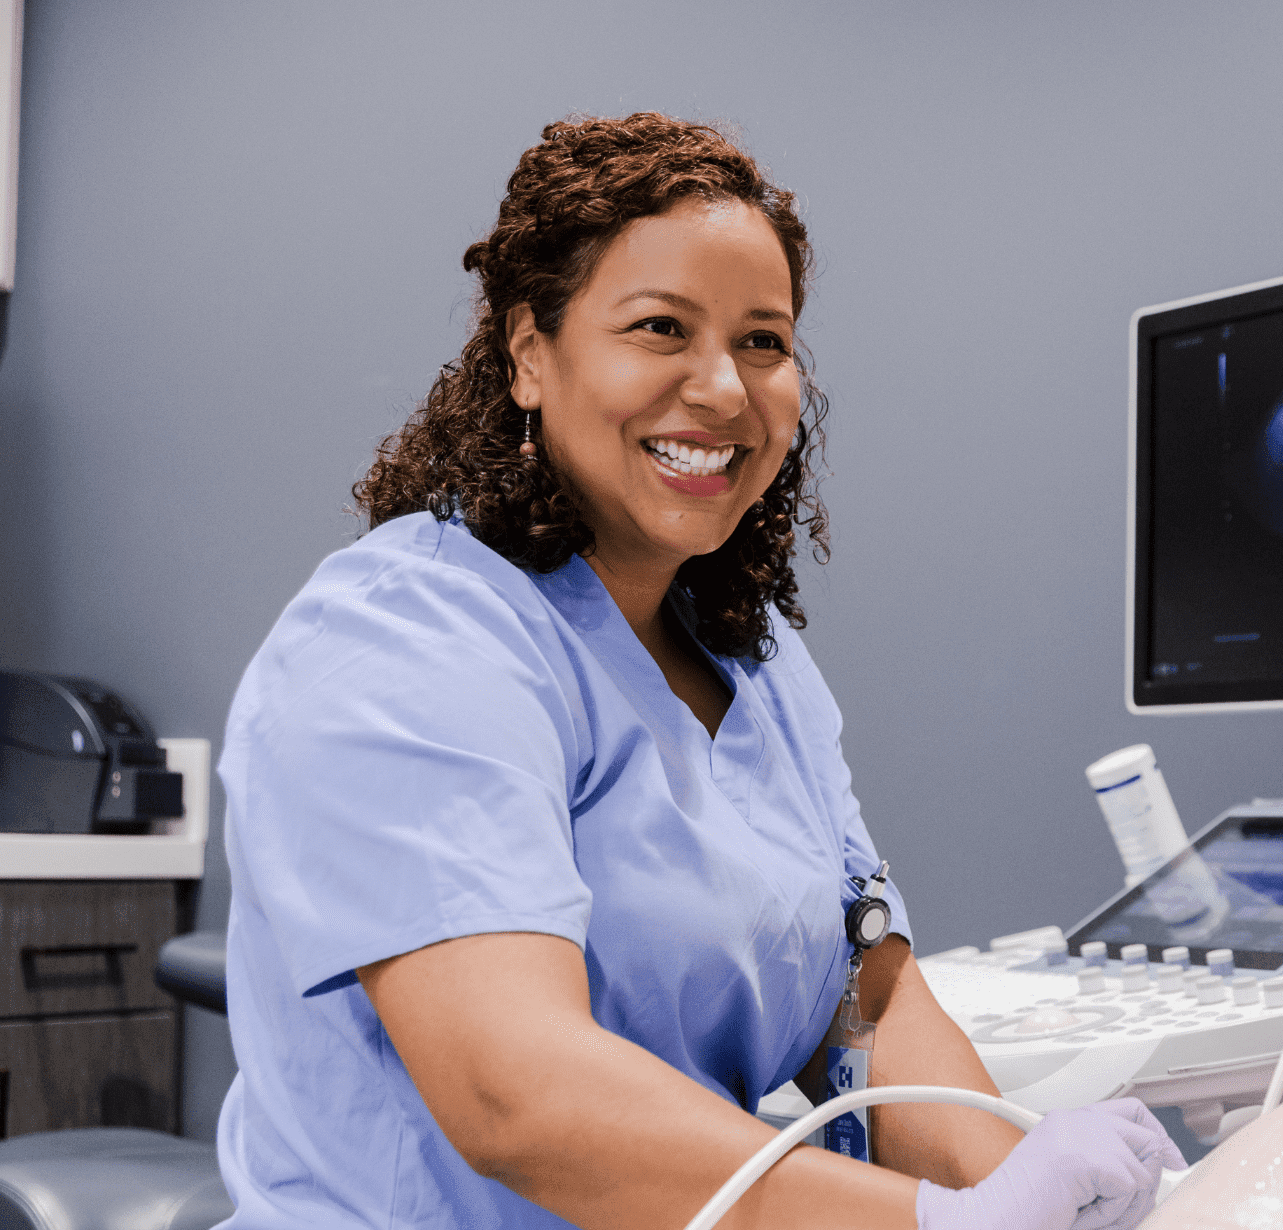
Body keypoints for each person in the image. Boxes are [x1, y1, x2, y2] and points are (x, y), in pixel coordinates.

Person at [214, 113, 1183, 1229]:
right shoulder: (403, 636)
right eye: (660, 327)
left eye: (763, 342)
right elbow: (513, 1093)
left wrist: (1018, 1179)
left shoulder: (753, 661)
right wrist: (932, 1224)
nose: (723, 388)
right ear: (530, 354)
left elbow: (866, 1006)